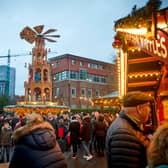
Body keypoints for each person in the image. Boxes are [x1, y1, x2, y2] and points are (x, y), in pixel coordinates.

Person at [106, 91, 153, 168]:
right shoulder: (123, 133)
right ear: (139, 109)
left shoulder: (126, 126)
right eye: (148, 106)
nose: (150, 110)